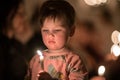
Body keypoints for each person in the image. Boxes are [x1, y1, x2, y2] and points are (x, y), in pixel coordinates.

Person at [25, 0, 88, 80]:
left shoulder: (73, 61)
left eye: (57, 30)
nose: (50, 35)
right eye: (46, 30)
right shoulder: (35, 60)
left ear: (71, 31)